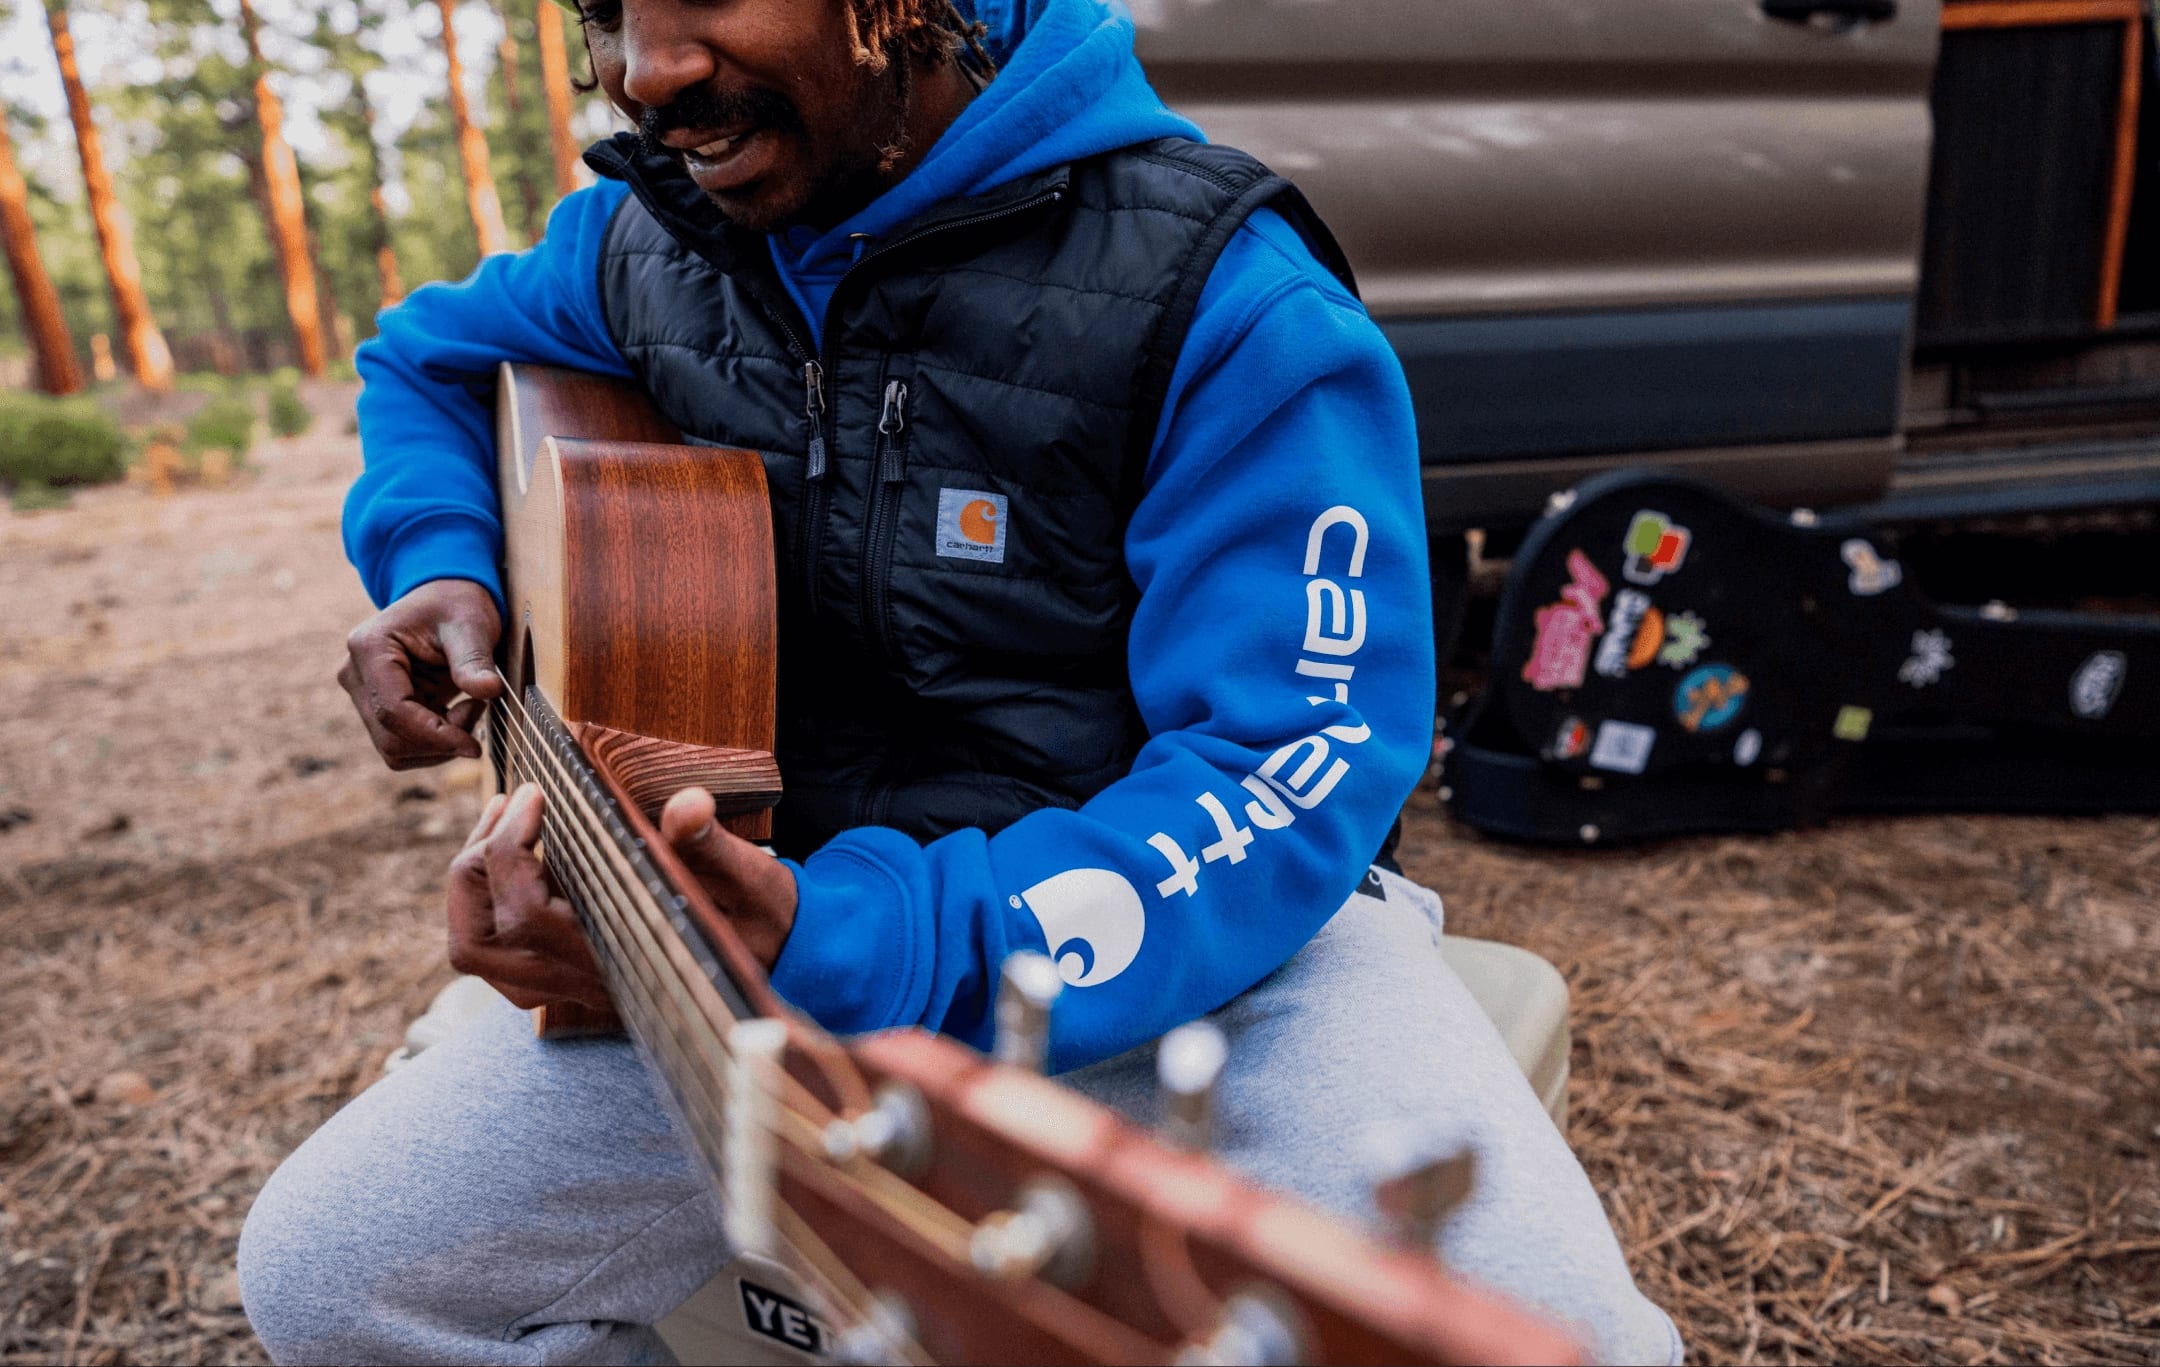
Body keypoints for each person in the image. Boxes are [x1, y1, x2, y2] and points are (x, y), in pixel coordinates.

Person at [237, 1, 1681, 1361]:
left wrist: (861, 940)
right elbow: (426, 360)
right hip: (738, 945)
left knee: (1569, 1345)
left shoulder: (1223, 294)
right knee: (333, 1282)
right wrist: (444, 562)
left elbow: (1281, 770)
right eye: (607, 8)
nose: (645, 67)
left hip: (1192, 947)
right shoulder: (642, 241)